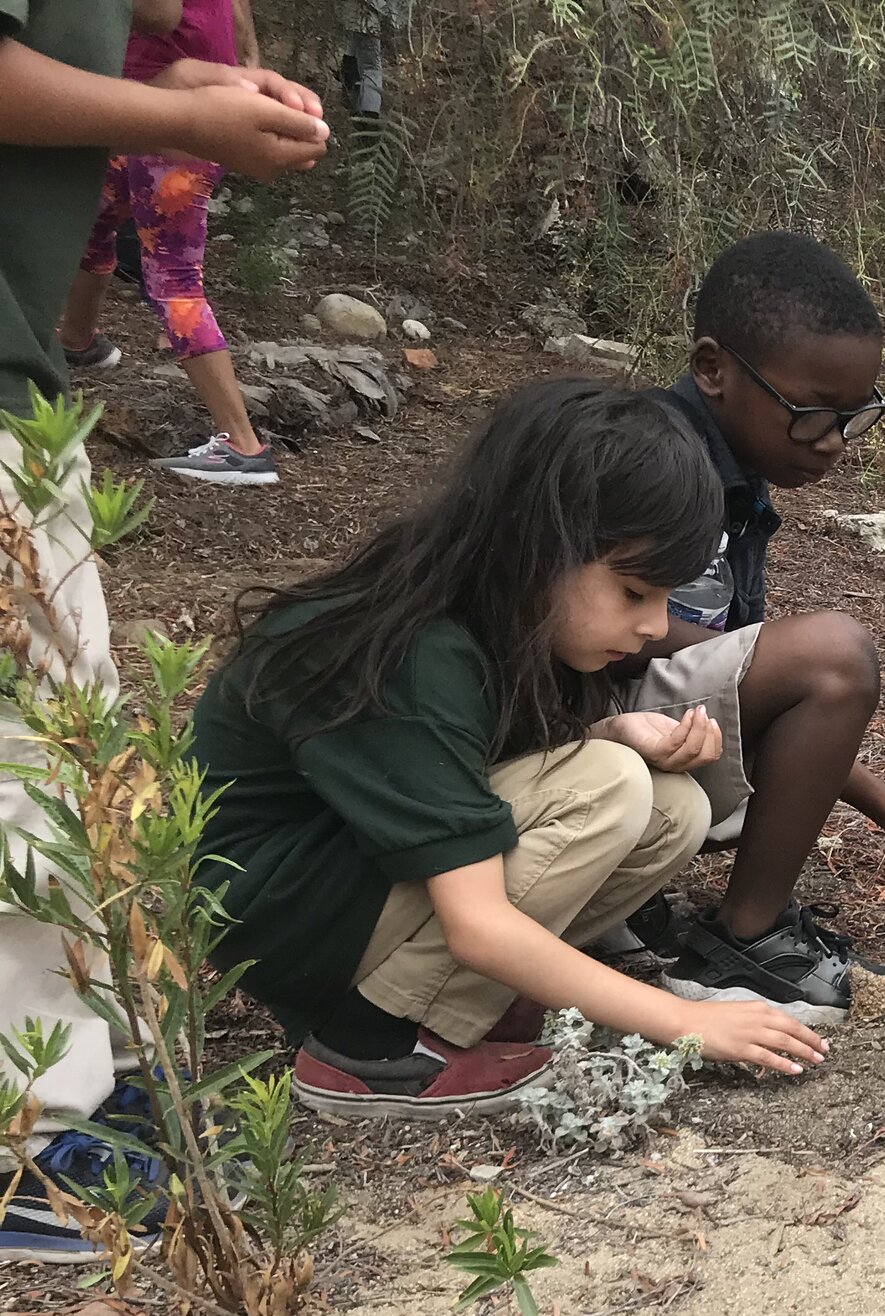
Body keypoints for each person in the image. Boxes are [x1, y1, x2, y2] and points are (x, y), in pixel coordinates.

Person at [191, 381, 838, 1117]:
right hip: (280, 909)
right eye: (633, 592)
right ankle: (370, 1043)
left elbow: (464, 771)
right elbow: (475, 918)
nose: (657, 626)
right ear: (540, 545)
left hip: (349, 879)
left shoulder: (494, 613)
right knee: (610, 788)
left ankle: (467, 1008)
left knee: (672, 804)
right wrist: (686, 1020)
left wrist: (611, 730)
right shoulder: (416, 649)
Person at [2, 0, 326, 1248]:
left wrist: (184, 79)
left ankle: (78, 1072)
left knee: (69, 745)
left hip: (26, 374)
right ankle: (32, 1137)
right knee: (30, 757)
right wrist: (182, 117)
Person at [629, 231, 885, 1022]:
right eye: (811, 414)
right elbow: (618, 632)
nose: (835, 442)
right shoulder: (650, 463)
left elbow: (743, 677)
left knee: (814, 661)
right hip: (573, 729)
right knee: (836, 656)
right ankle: (744, 943)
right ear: (713, 369)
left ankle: (622, 907)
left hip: (637, 726)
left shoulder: (736, 480)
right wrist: (803, 684)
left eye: (854, 415)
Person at [57, 0, 282, 487]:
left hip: (175, 123)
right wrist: (249, 62)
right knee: (91, 225)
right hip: (149, 109)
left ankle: (243, 447)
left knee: (173, 280)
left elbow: (156, 14)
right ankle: (79, 343)